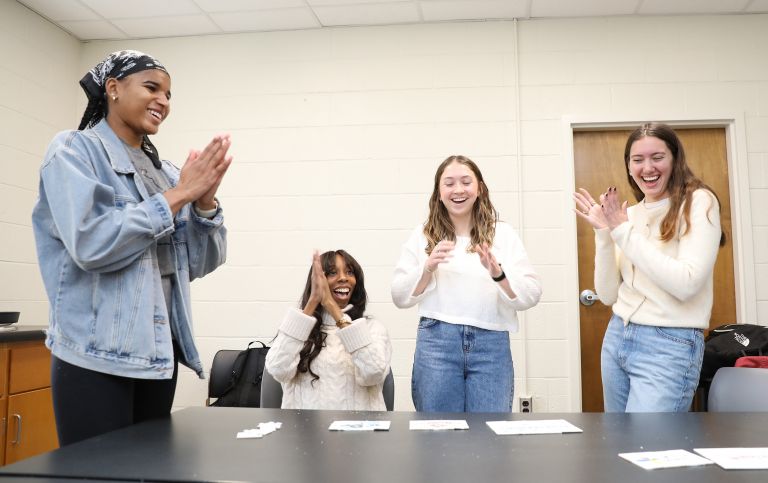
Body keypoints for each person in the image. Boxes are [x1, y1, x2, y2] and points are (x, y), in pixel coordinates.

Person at [32, 50, 232, 445]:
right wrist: (178, 196)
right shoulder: (74, 151)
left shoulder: (168, 172)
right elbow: (91, 243)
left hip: (159, 356)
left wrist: (205, 202)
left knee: (146, 473)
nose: (163, 101)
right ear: (113, 89)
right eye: (152, 87)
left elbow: (197, 262)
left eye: (169, 94)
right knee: (97, 475)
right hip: (95, 356)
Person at [573, 122, 725, 413]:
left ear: (675, 159)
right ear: (629, 167)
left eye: (657, 157)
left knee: (649, 451)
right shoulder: (628, 214)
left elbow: (686, 283)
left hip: (670, 343)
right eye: (637, 159)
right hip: (618, 336)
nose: (647, 168)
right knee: (617, 446)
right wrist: (604, 234)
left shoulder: (699, 202)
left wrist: (621, 231)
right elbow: (607, 295)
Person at [391, 155, 542, 412]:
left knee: (489, 435)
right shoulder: (423, 235)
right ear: (439, 193)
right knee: (437, 433)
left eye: (465, 182)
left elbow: (532, 294)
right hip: (437, 343)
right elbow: (399, 296)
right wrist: (427, 268)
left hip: (491, 345)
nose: (458, 190)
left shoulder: (502, 234)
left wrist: (499, 275)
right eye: (449, 183)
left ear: (479, 188)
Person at [265, 250, 392, 410]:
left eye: (349, 272)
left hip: (359, 431)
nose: (343, 278)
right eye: (332, 273)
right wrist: (313, 301)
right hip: (306, 431)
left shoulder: (373, 328)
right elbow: (278, 369)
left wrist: (332, 307)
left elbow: (373, 374)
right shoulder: (298, 326)